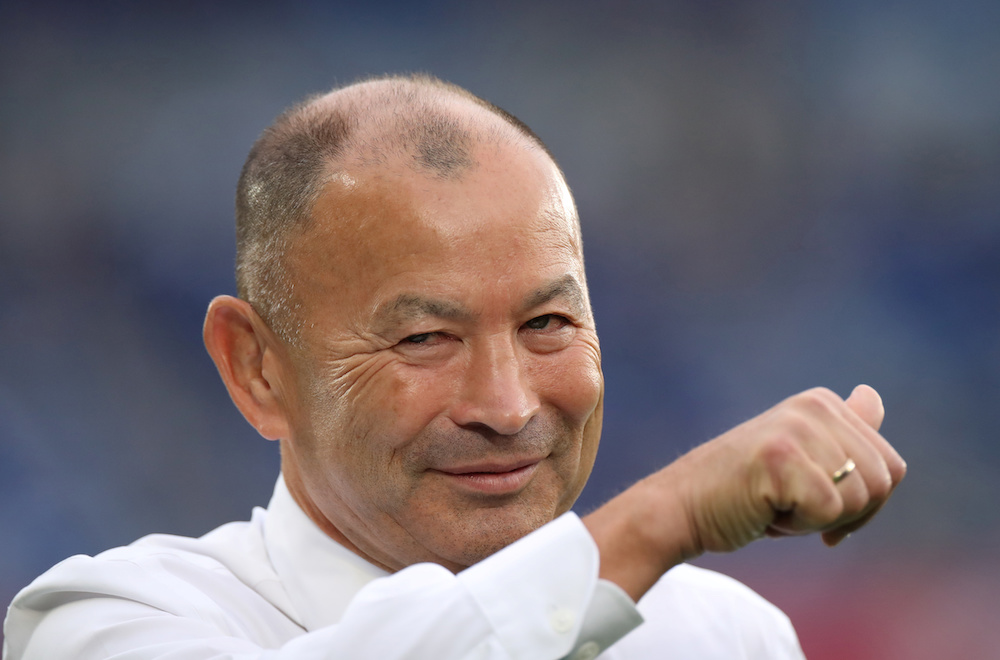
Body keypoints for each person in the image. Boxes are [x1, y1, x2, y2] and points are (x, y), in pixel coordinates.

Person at [3, 74, 905, 659]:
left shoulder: (719, 638)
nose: (506, 407)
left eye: (548, 323)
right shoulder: (101, 623)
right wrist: (663, 518)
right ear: (257, 370)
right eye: (425, 339)